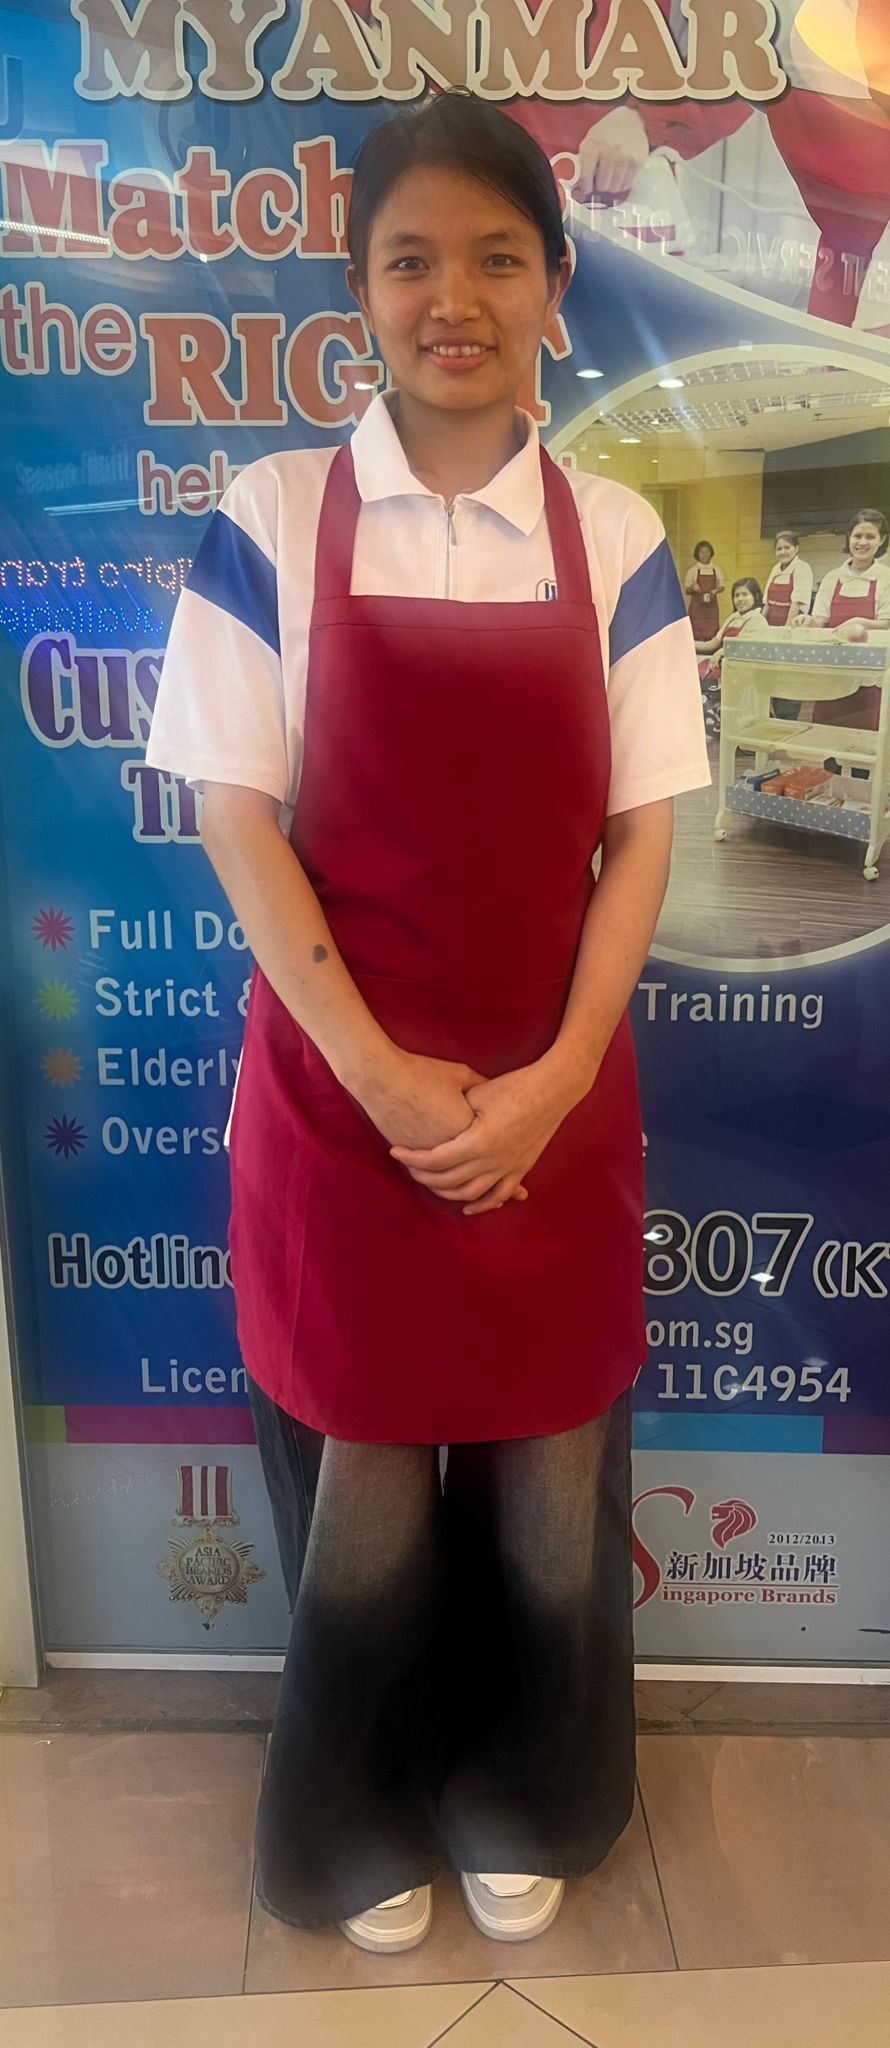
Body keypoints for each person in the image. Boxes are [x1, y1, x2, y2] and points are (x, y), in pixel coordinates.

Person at [146, 93, 709, 1955]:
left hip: (559, 1088)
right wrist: (382, 1075)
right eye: (409, 261)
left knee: (552, 1476)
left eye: (494, 258)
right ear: (359, 288)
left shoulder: (613, 535)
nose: (451, 298)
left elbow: (643, 839)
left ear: (555, 284)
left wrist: (551, 1082)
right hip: (341, 1099)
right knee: (367, 1482)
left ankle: (533, 1783)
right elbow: (237, 817)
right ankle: (355, 1808)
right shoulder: (269, 519)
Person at [805, 506, 890, 731]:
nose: (862, 542)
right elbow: (819, 621)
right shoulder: (832, 578)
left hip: (869, 676)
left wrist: (859, 623)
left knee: (864, 742)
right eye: (857, 536)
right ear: (848, 537)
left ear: (882, 540)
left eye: (870, 536)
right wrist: (805, 622)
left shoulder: (886, 578)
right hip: (831, 673)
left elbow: (887, 624)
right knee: (826, 739)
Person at [695, 577, 766, 738]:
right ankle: (709, 718)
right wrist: (688, 643)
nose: (740, 599)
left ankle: (717, 719)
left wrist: (722, 652)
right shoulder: (733, 617)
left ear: (755, 596)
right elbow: (714, 643)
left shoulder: (758, 620)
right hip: (722, 664)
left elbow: (744, 647)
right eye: (736, 595)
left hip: (741, 671)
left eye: (744, 594)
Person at [763, 532, 814, 627]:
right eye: (779, 549)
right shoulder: (775, 568)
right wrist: (761, 626)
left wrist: (786, 630)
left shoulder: (802, 567)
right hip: (770, 627)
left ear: (796, 548)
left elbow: (796, 604)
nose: (783, 552)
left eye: (787, 547)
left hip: (792, 627)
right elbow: (767, 604)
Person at [685, 541, 725, 642]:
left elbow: (722, 587)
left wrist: (716, 591)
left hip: (711, 608)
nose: (705, 554)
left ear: (711, 553)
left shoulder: (716, 569)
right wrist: (693, 587)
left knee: (712, 634)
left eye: (707, 551)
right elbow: (687, 590)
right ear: (697, 554)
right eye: (701, 552)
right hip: (697, 609)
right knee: (696, 634)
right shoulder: (693, 570)